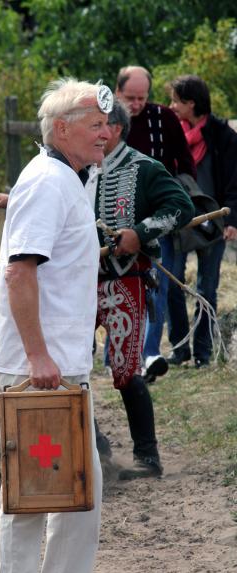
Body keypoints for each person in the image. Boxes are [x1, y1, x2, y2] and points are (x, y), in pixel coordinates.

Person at [0, 78, 113, 573]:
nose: (106, 133)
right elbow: (19, 271)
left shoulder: (66, 178)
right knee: (35, 486)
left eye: (106, 124)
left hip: (62, 363)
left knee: (81, 486)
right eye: (94, 124)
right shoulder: (47, 180)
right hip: (41, 366)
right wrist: (37, 354)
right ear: (61, 129)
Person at [92, 99, 194, 479]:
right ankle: (95, 447)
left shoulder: (144, 168)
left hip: (126, 279)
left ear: (115, 128)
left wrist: (142, 232)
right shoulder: (75, 168)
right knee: (69, 363)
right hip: (79, 283)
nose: (94, 132)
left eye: (98, 124)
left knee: (124, 367)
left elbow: (181, 207)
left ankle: (148, 457)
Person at [116, 65, 196, 382]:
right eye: (129, 98)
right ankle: (119, 353)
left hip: (158, 221)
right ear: (117, 91)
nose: (136, 105)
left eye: (141, 98)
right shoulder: (104, 121)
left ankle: (148, 355)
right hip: (115, 225)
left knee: (156, 288)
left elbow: (185, 163)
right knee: (118, 287)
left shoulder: (163, 118)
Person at [165, 75, 237, 367]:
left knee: (207, 288)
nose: (171, 106)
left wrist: (233, 218)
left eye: (175, 101)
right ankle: (180, 347)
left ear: (191, 104)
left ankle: (203, 353)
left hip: (214, 221)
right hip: (180, 220)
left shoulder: (223, 136)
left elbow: (235, 180)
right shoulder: (172, 134)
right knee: (172, 283)